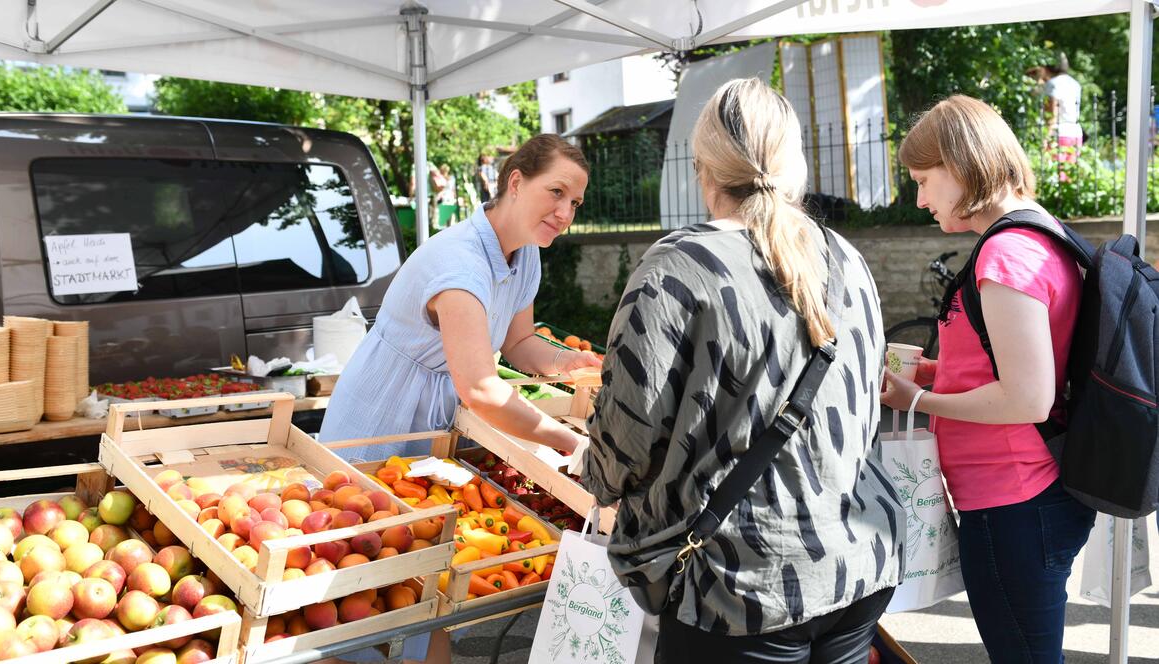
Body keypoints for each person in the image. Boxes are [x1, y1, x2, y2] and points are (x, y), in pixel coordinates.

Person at [581, 77, 903, 663]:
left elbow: (627, 441)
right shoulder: (848, 258)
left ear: (702, 169)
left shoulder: (678, 266)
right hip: (856, 561)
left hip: (740, 584)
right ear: (795, 164)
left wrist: (592, 475)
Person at [318, 133, 600, 663]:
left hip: (424, 429)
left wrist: (567, 362)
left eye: (576, 202)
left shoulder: (524, 258)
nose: (566, 213)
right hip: (375, 419)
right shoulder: (461, 262)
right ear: (516, 182)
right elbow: (479, 388)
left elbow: (518, 342)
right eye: (556, 193)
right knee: (359, 592)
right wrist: (564, 440)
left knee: (426, 589)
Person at [881, 95, 1095, 663]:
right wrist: (937, 372)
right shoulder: (1041, 231)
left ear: (961, 164)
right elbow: (1017, 362)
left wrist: (920, 396)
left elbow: (1026, 395)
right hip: (1032, 491)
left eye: (925, 180)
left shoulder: (1004, 255)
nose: (921, 198)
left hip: (1013, 499)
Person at [1041, 54, 1083, 165]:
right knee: (1070, 177)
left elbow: (1052, 113)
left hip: (1059, 134)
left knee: (1055, 177)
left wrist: (1045, 137)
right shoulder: (1075, 84)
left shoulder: (1053, 83)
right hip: (1075, 133)